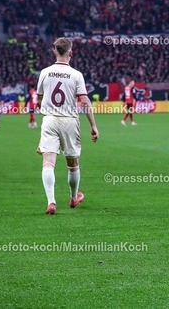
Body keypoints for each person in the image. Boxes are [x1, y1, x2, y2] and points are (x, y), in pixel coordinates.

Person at [37, 38, 99, 215]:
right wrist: (93, 125)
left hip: (49, 119)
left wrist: (47, 114)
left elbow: (39, 99)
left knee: (48, 163)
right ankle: (73, 198)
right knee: (72, 164)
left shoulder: (44, 72)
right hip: (69, 120)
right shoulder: (76, 74)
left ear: (54, 51)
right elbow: (84, 101)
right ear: (71, 52)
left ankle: (51, 201)